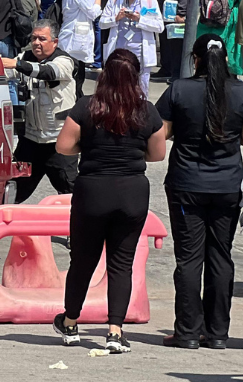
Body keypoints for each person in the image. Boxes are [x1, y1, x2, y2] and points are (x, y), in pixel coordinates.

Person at [52, 48, 167, 353]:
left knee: (83, 260)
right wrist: (131, 152)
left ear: (104, 75)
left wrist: (91, 148)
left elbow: (63, 147)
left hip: (93, 190)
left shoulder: (87, 106)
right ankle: (115, 332)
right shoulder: (147, 111)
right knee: (121, 263)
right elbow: (157, 153)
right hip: (132, 191)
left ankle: (71, 322)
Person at [157, 35, 243, 350]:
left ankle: (188, 332)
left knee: (189, 259)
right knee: (220, 257)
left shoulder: (178, 89)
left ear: (196, 58)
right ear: (226, 58)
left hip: (186, 184)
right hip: (227, 185)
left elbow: (163, 135)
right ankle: (217, 333)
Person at [3, 20, 79, 203]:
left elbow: (48, 72)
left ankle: (80, 230)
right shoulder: (25, 57)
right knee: (13, 190)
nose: (36, 42)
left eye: (42, 39)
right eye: (34, 38)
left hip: (59, 142)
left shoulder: (64, 61)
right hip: (31, 141)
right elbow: (6, 73)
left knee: (71, 192)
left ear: (55, 42)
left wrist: (16, 64)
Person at [99, 0, 163, 96]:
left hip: (140, 49)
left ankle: (140, 110)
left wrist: (140, 19)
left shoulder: (150, 0)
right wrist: (116, 18)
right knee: (117, 84)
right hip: (119, 49)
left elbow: (160, 27)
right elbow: (102, 23)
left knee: (140, 86)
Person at [58, 0, 103, 98]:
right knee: (76, 76)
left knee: (78, 74)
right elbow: (93, 12)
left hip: (76, 38)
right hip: (73, 39)